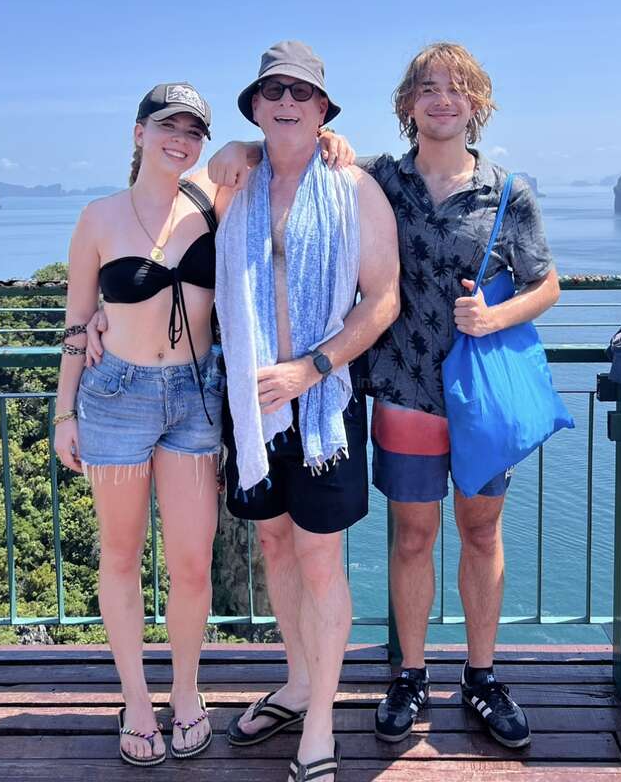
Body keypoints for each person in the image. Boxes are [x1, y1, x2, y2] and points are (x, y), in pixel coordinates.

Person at [212, 40, 560, 751]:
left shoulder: (506, 190)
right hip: (402, 388)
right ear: (407, 105)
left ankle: (482, 676)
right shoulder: (378, 178)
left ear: (477, 103)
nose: (442, 99)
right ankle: (409, 674)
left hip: (481, 394)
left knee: (482, 532)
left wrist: (496, 317)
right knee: (413, 536)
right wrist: (240, 149)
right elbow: (297, 150)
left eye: (456, 88)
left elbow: (547, 283)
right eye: (428, 88)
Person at [213, 40, 399, 782]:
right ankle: (295, 683)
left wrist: (311, 367)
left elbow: (383, 300)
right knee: (275, 546)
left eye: (301, 92)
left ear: (322, 108)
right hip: (253, 409)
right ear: (255, 107)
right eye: (273, 91)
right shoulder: (232, 182)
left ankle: (320, 719)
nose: (286, 102)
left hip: (323, 405)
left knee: (320, 558)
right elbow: (159, 218)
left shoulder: (353, 187)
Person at [54, 82, 226, 767]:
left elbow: (265, 151)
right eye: (166, 127)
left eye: (192, 131)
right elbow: (76, 324)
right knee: (121, 555)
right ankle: (135, 699)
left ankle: (185, 690)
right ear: (138, 133)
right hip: (117, 397)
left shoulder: (210, 203)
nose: (179, 141)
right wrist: (64, 411)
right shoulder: (99, 218)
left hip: (194, 397)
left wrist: (331, 140)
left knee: (191, 561)